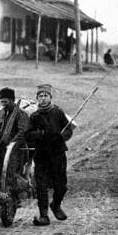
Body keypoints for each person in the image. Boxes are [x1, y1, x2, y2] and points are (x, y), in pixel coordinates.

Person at [25, 84, 73, 226]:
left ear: (50, 97)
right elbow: (27, 134)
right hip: (41, 155)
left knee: (61, 186)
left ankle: (56, 206)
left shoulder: (58, 112)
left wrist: (61, 137)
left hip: (58, 154)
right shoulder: (34, 116)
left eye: (46, 96)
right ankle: (43, 216)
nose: (43, 99)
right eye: (40, 96)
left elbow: (69, 130)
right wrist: (41, 134)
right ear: (37, 99)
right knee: (41, 185)